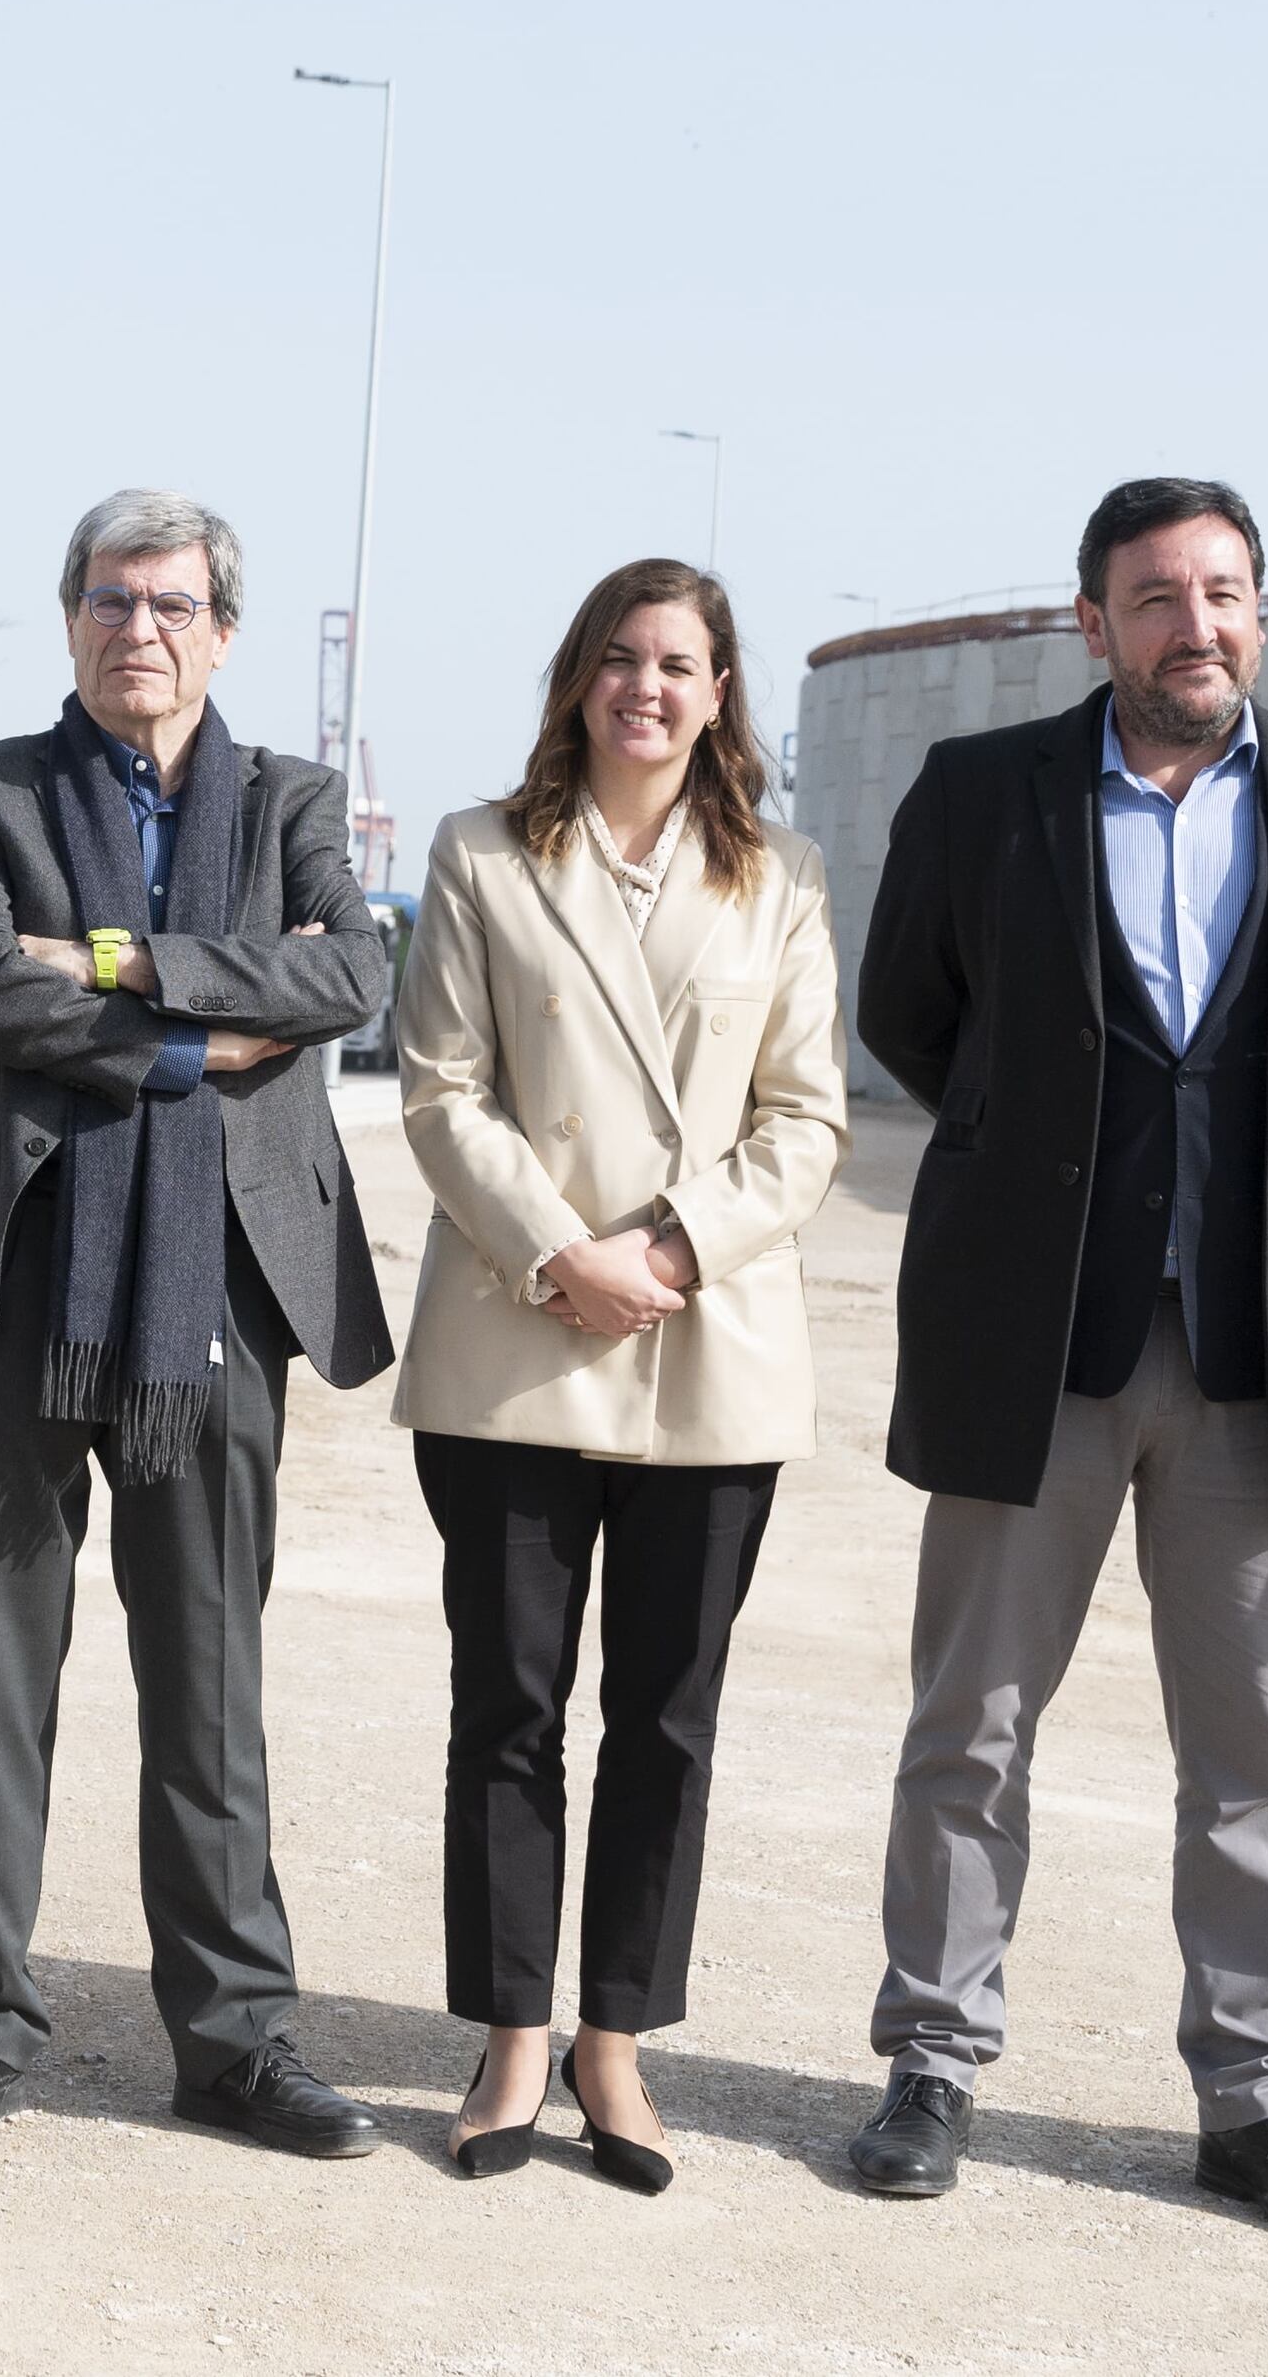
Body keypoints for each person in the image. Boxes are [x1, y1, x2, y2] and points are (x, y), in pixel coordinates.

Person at [843, 474, 1268, 2250]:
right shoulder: (983, 796)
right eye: (1159, 596)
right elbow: (909, 1013)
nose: (1199, 624)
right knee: (971, 1722)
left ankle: (1257, 2105)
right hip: (1037, 1334)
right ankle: (933, 2066)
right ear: (1092, 622)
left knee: (1255, 1741)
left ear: (1265, 610)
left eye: (1228, 590)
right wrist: (1047, 1162)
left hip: (1266, 1342)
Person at [0, 489, 400, 2163]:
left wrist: (99, 961)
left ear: (222, 630)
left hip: (216, 1290)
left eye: (169, 604)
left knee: (211, 1677)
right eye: (107, 598)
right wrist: (192, 1029)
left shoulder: (296, 802)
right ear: (72, 617)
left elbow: (351, 979)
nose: (136, 629)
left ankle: (236, 2040)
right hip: (5, 1279)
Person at [394, 559, 845, 2193]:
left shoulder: (779, 877)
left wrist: (662, 1252)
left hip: (704, 1343)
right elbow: (440, 1089)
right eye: (620, 657)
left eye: (681, 663)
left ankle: (618, 2045)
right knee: (508, 1707)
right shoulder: (480, 853)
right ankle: (513, 2030)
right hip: (516, 1339)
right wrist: (557, 1252)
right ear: (577, 678)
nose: (648, 686)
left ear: (722, 694)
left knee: (666, 1718)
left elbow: (806, 1119)